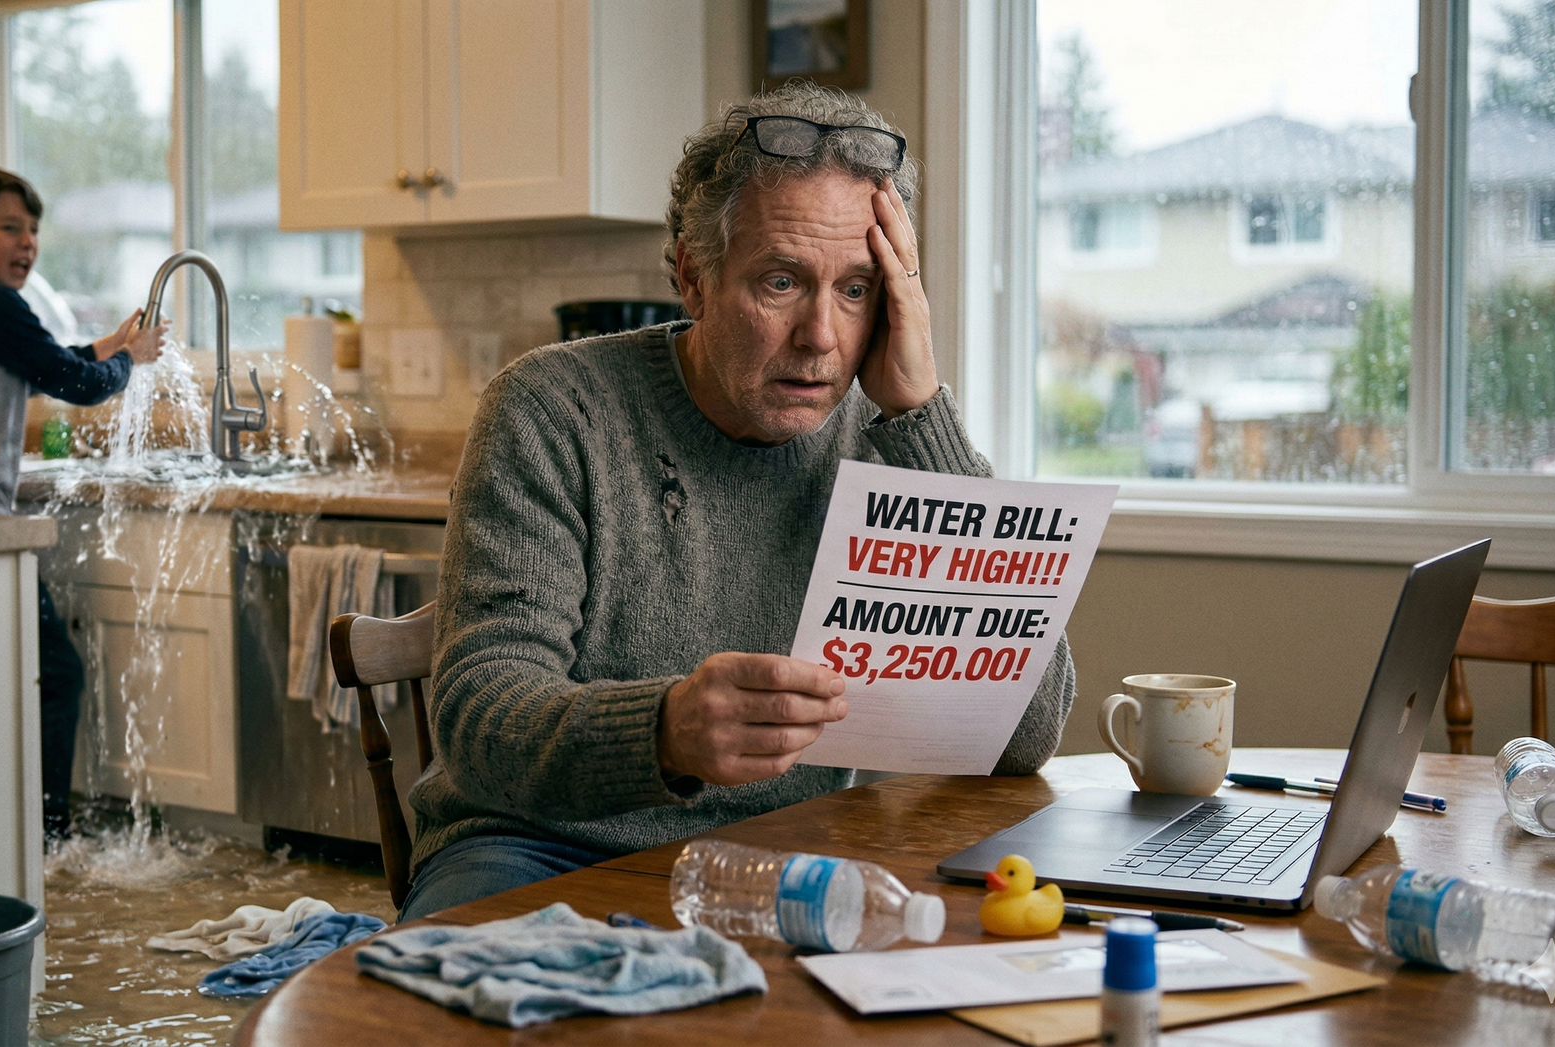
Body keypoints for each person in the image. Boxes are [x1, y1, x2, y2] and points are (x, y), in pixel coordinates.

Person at [397, 83, 1077, 922]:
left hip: (787, 847)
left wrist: (921, 417)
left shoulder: (889, 432)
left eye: (858, 289)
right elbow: (480, 712)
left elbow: (1024, 733)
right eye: (782, 281)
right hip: (534, 843)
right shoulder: (551, 409)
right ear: (693, 275)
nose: (822, 336)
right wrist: (665, 729)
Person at [0, 164, 166, 838]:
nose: (28, 243)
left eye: (34, 230)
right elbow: (74, 383)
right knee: (56, 673)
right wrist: (127, 360)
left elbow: (47, 359)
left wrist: (110, 348)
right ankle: (46, 837)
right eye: (10, 228)